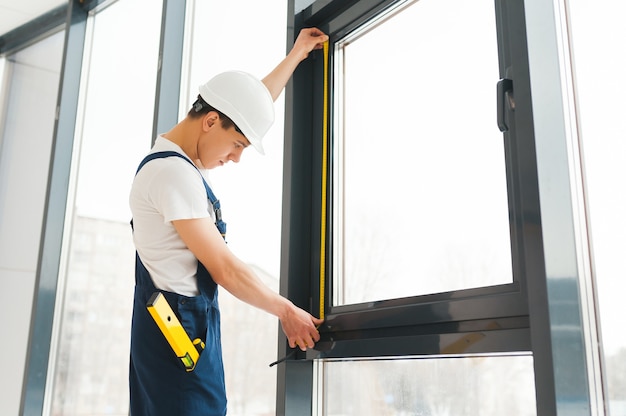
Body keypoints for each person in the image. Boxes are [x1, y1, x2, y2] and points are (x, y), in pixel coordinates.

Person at [128, 27, 328, 416]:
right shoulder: (174, 176)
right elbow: (225, 269)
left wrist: (297, 55)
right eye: (237, 145)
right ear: (211, 121)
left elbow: (250, 105)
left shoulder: (178, 159)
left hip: (176, 329)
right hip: (177, 337)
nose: (236, 158)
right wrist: (286, 310)